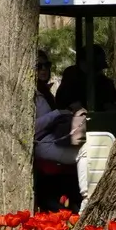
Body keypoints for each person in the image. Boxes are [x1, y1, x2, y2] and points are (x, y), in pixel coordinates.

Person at [33, 50, 83, 211]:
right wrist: (58, 113)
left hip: (55, 139)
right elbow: (32, 129)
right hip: (43, 144)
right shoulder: (33, 94)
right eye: (38, 66)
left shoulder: (45, 93)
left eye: (46, 65)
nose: (43, 69)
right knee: (85, 154)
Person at [57, 44, 116, 118]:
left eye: (99, 69)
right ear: (82, 63)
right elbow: (67, 105)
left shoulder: (104, 82)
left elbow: (111, 106)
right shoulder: (71, 78)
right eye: (96, 68)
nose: (99, 72)